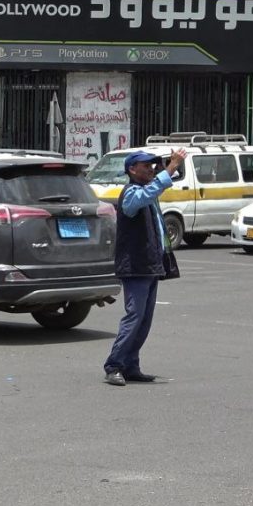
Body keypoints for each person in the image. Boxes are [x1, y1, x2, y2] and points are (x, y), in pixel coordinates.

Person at [103, 148, 187, 386]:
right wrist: (170, 167)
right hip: (135, 264)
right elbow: (147, 194)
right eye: (146, 166)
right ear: (132, 169)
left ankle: (130, 365)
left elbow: (161, 184)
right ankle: (114, 365)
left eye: (153, 165)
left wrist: (171, 165)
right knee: (134, 316)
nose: (151, 169)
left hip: (150, 263)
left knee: (144, 319)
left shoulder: (149, 191)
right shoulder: (131, 193)